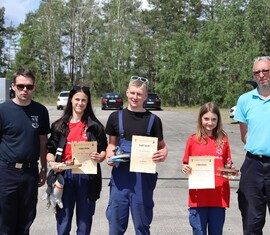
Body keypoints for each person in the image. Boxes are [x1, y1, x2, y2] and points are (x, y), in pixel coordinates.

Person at [105, 76, 168, 235]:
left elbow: (162, 146)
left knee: (142, 225)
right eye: (132, 93)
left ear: (145, 96)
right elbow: (111, 144)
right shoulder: (115, 117)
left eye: (139, 94)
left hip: (143, 178)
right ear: (127, 93)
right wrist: (110, 155)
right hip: (120, 178)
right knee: (115, 225)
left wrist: (163, 154)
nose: (135, 97)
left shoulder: (154, 120)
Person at [46, 85, 107, 235]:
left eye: (84, 100)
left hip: (87, 176)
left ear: (88, 103)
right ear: (71, 101)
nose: (80, 103)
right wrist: (52, 163)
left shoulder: (95, 127)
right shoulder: (58, 126)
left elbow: (103, 149)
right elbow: (50, 150)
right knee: (63, 220)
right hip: (64, 176)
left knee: (84, 222)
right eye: (77, 99)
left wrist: (100, 157)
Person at [0, 68, 50, 234]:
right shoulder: (3, 110)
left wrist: (44, 168)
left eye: (29, 86)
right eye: (21, 86)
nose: (24, 90)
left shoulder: (40, 111)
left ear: (34, 88)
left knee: (26, 219)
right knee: (5, 220)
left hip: (30, 172)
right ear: (13, 86)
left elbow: (43, 142)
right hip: (6, 172)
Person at [182, 102, 233, 235]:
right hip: (198, 197)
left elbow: (228, 165)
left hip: (218, 197)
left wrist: (230, 171)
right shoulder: (192, 140)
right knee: (198, 231)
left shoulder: (224, 140)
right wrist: (185, 168)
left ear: (218, 120)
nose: (209, 123)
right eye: (206, 119)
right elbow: (186, 163)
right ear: (200, 119)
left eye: (213, 119)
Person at [234, 56, 270, 235]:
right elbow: (245, 135)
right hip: (253, 166)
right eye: (257, 72)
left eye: (265, 71)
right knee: (251, 221)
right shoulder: (244, 100)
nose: (262, 75)